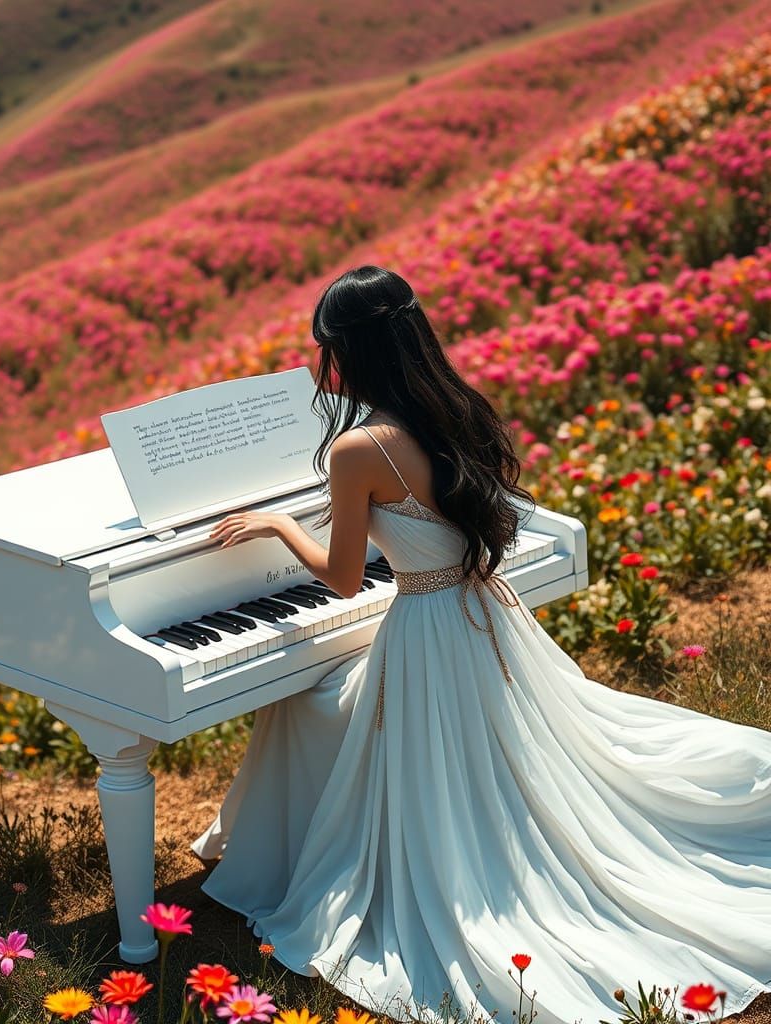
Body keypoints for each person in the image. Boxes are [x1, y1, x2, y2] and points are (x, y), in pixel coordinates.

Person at [190, 265, 771, 1024]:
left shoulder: (357, 450)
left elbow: (339, 579)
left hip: (428, 632)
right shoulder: (454, 408)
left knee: (304, 700)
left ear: (348, 353)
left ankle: (278, 845)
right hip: (487, 616)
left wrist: (275, 526)